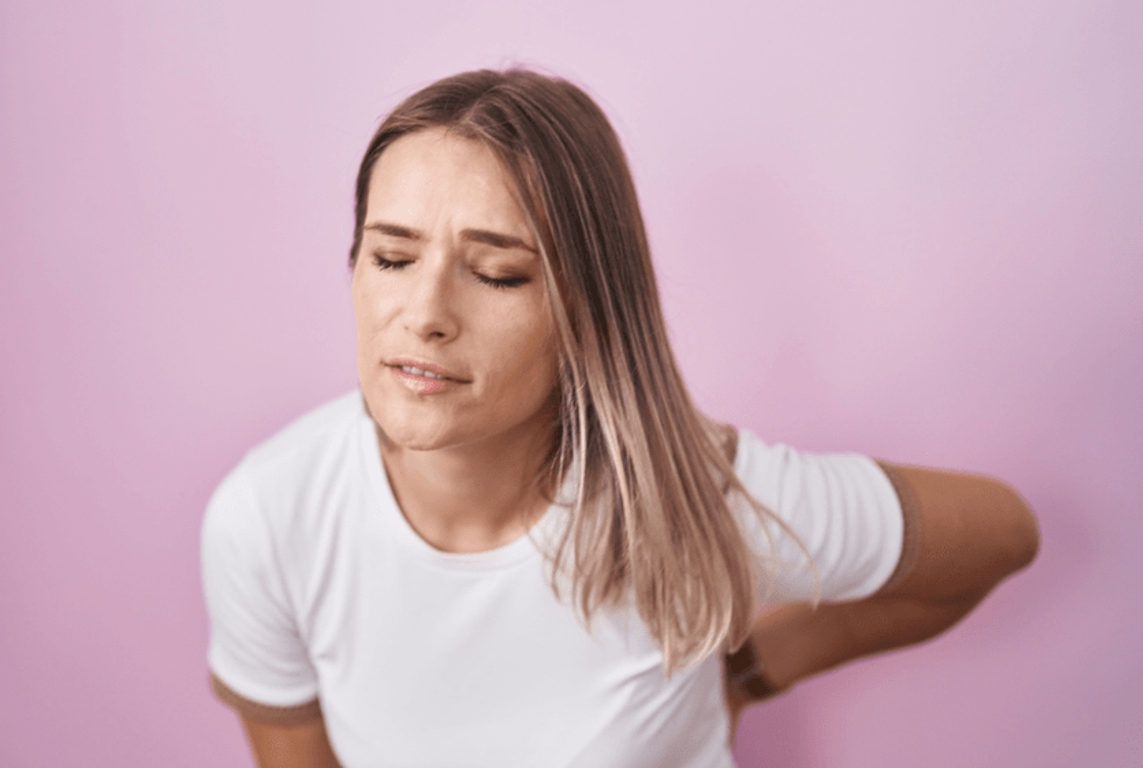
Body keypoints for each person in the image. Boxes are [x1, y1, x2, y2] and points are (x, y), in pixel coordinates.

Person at [200, 68, 1039, 768]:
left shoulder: (702, 502)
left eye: (497, 273)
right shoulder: (267, 518)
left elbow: (1004, 534)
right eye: (391, 257)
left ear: (588, 311)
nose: (424, 312)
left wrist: (749, 669)